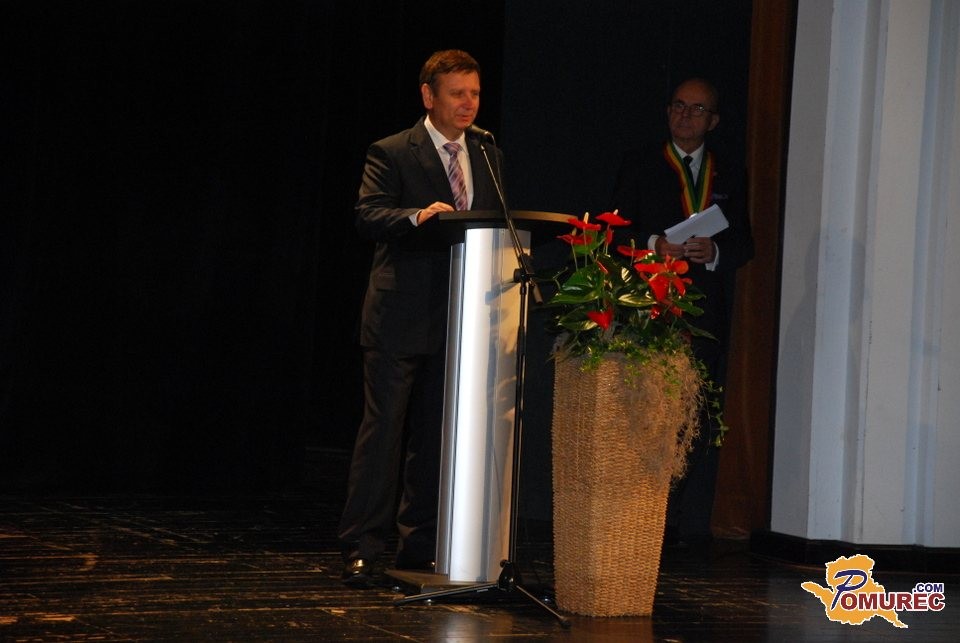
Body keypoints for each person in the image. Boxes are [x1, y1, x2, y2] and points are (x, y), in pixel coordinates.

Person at [338, 49, 506, 587]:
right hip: (398, 314)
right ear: (428, 96)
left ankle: (421, 546)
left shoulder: (486, 152)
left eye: (474, 93)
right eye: (457, 93)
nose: (468, 103)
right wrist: (417, 216)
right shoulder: (392, 150)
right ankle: (363, 544)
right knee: (383, 434)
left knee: (434, 438)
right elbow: (368, 214)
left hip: (460, 314)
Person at [611, 77, 754, 547]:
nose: (685, 115)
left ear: (713, 121)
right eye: (678, 106)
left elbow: (745, 243)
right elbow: (614, 232)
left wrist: (714, 252)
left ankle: (667, 521)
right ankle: (633, 513)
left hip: (703, 315)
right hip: (649, 307)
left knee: (690, 418)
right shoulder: (640, 162)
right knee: (644, 411)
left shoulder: (728, 171)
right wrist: (655, 243)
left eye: (697, 109)